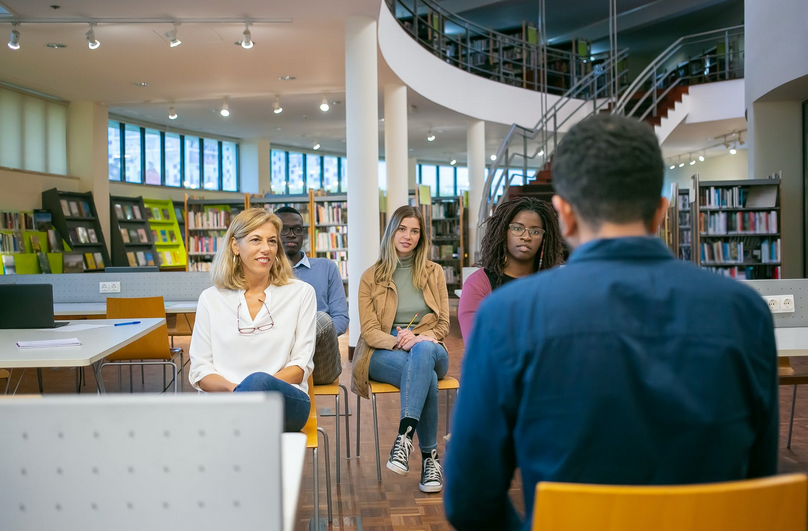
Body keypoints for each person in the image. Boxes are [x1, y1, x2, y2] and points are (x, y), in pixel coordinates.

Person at [444, 115, 778, 530]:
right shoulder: (745, 312)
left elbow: (469, 499)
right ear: (660, 212)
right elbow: (759, 478)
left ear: (563, 216)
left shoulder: (508, 316)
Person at [189, 208, 316, 433]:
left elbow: (300, 366)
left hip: (285, 401)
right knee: (250, 399)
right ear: (235, 246)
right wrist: (238, 391)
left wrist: (257, 389)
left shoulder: (301, 293)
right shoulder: (210, 299)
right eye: (256, 240)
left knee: (258, 382)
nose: (266, 249)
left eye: (272, 241)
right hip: (228, 402)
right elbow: (200, 371)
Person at [352, 205, 450, 493]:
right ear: (391, 232)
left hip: (431, 347)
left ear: (421, 236)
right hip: (384, 352)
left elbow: (444, 323)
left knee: (423, 353)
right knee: (426, 376)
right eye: (402, 228)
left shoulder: (435, 272)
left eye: (415, 231)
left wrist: (420, 338)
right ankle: (430, 459)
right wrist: (399, 341)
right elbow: (369, 331)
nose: (408, 235)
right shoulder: (371, 276)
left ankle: (404, 437)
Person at [458, 196, 564, 343]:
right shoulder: (478, 284)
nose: (526, 237)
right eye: (517, 228)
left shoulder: (553, 285)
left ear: (544, 239)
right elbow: (476, 344)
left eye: (535, 231)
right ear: (503, 232)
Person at [276, 206, 348, 385]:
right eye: (283, 229)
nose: (291, 234)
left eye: (297, 229)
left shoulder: (327, 267)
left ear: (304, 234)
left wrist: (302, 339)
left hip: (319, 360)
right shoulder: (264, 272)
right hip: (278, 360)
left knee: (322, 319)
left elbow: (341, 318)